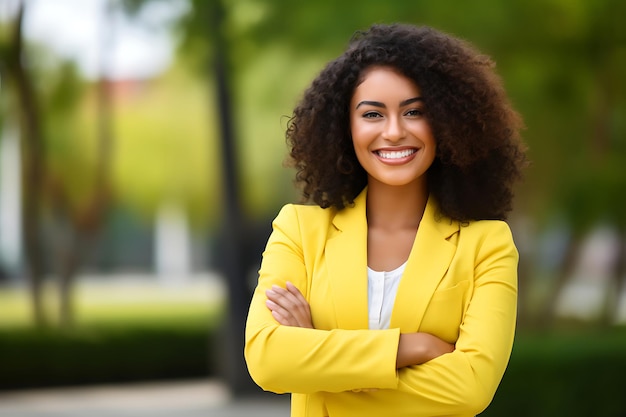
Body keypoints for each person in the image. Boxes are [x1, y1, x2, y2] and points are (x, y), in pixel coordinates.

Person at [244, 23, 527, 417]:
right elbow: (268, 360)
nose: (394, 132)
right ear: (346, 128)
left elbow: (469, 389)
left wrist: (318, 365)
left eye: (414, 112)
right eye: (373, 114)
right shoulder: (298, 231)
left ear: (447, 123)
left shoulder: (487, 244)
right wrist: (410, 347)